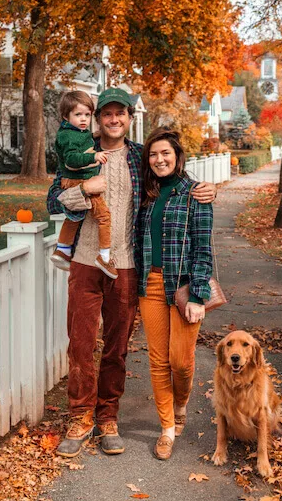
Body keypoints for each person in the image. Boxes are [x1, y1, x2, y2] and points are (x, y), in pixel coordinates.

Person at [47, 87, 216, 458]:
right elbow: (52, 199)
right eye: (106, 114)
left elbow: (173, 180)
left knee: (117, 348)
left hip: (126, 267)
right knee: (80, 344)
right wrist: (84, 191)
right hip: (85, 264)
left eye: (119, 113)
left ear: (128, 117)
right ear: (97, 118)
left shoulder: (141, 156)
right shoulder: (80, 152)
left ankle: (108, 418)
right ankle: (80, 417)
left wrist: (206, 190)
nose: (113, 120)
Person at [135, 127, 213, 461]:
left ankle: (181, 404)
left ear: (177, 156)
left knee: (180, 362)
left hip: (182, 287)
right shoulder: (146, 194)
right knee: (157, 360)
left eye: (165, 153)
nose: (159, 159)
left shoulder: (195, 193)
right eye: (153, 154)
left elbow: (203, 247)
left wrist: (198, 294)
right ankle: (167, 429)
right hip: (150, 286)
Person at [51, 90, 117, 279]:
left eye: (87, 115)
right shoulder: (68, 136)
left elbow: (83, 141)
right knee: (104, 216)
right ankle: (104, 256)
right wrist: (94, 156)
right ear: (66, 116)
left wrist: (95, 134)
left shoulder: (76, 132)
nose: (83, 119)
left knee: (76, 215)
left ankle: (62, 249)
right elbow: (71, 160)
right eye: (78, 114)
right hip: (80, 181)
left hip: (77, 181)